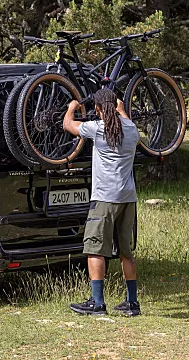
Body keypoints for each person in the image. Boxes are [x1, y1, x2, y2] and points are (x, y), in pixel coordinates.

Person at [63, 88, 141, 317]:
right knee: (126, 253)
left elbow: (70, 125)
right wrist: (122, 109)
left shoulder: (97, 128)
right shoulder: (131, 129)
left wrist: (71, 108)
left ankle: (97, 303)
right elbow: (123, 117)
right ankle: (132, 303)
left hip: (104, 199)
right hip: (127, 198)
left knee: (95, 249)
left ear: (97, 108)